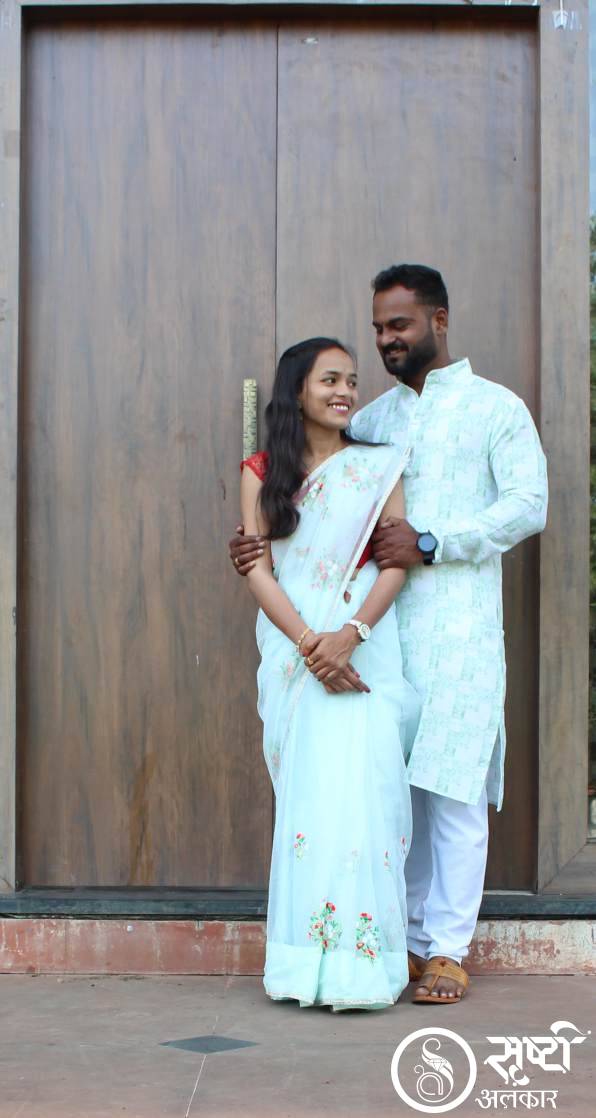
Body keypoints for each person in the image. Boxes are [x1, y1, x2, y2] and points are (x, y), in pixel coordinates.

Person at [230, 266, 548, 1005]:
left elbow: (528, 504)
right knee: (384, 791)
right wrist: (252, 546)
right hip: (379, 640)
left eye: (398, 325)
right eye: (378, 328)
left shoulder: (495, 408)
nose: (386, 340)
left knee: (454, 789)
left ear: (439, 319)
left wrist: (434, 542)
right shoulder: (375, 420)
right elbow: (312, 495)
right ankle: (395, 939)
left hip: (458, 629)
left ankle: (447, 950)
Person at [239, 336, 420, 1012]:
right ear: (297, 391)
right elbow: (258, 569)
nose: (345, 392)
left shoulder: (380, 466)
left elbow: (396, 562)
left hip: (364, 653)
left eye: (350, 380)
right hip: (297, 657)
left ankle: (362, 969)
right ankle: (301, 965)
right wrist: (312, 645)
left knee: (365, 802)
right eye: (330, 380)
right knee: (312, 806)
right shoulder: (262, 472)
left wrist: (350, 637)